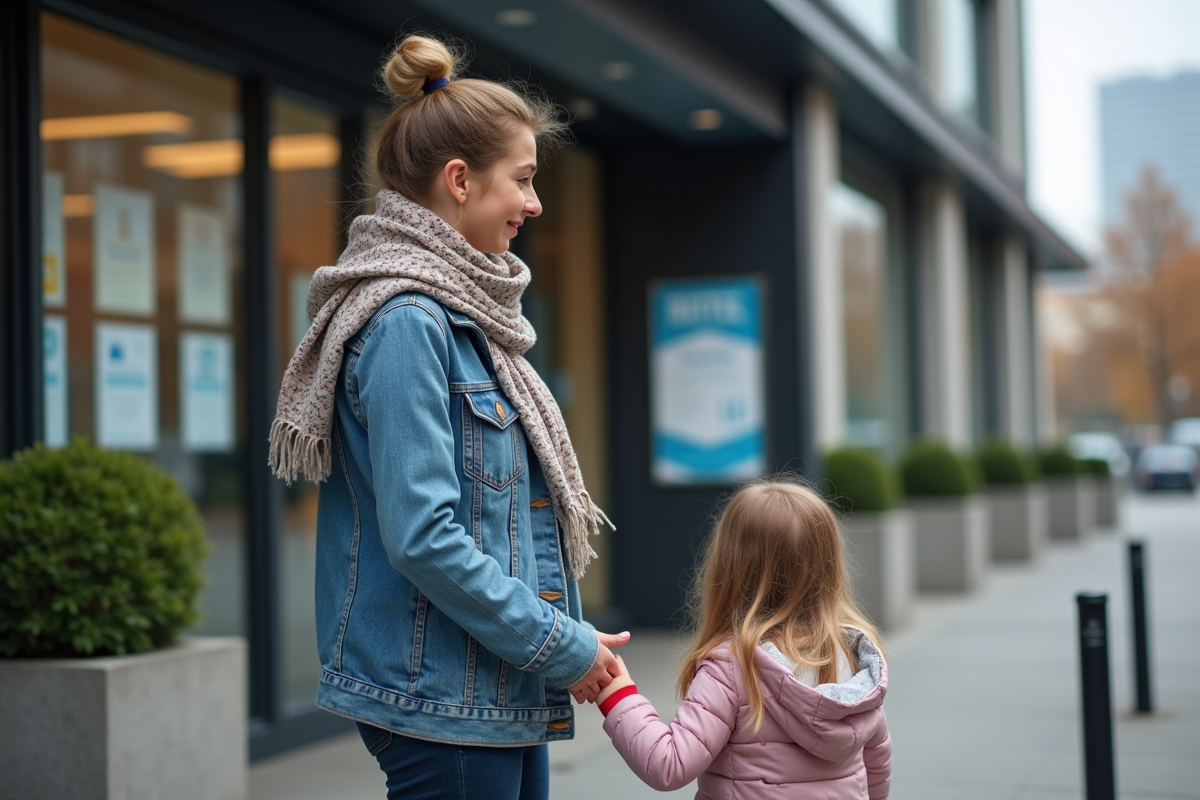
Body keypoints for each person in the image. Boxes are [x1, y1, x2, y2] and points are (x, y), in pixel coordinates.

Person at [268, 34, 626, 800]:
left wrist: (557, 648)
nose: (535, 203)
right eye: (523, 180)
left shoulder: (467, 320)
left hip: (488, 689)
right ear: (459, 180)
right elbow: (426, 535)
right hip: (438, 698)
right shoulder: (408, 324)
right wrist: (564, 644)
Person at [595, 478, 892, 799]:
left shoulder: (734, 666)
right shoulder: (853, 658)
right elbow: (877, 764)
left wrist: (618, 696)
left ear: (729, 569)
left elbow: (670, 764)